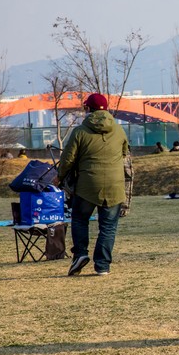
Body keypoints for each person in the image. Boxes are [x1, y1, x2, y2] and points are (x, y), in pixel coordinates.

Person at [58, 93, 130, 276]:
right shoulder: (119, 130)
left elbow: (68, 159)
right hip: (115, 185)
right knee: (108, 226)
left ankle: (80, 254)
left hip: (87, 185)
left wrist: (60, 176)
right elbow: (124, 154)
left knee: (80, 219)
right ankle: (103, 265)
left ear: (88, 109)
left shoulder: (80, 131)